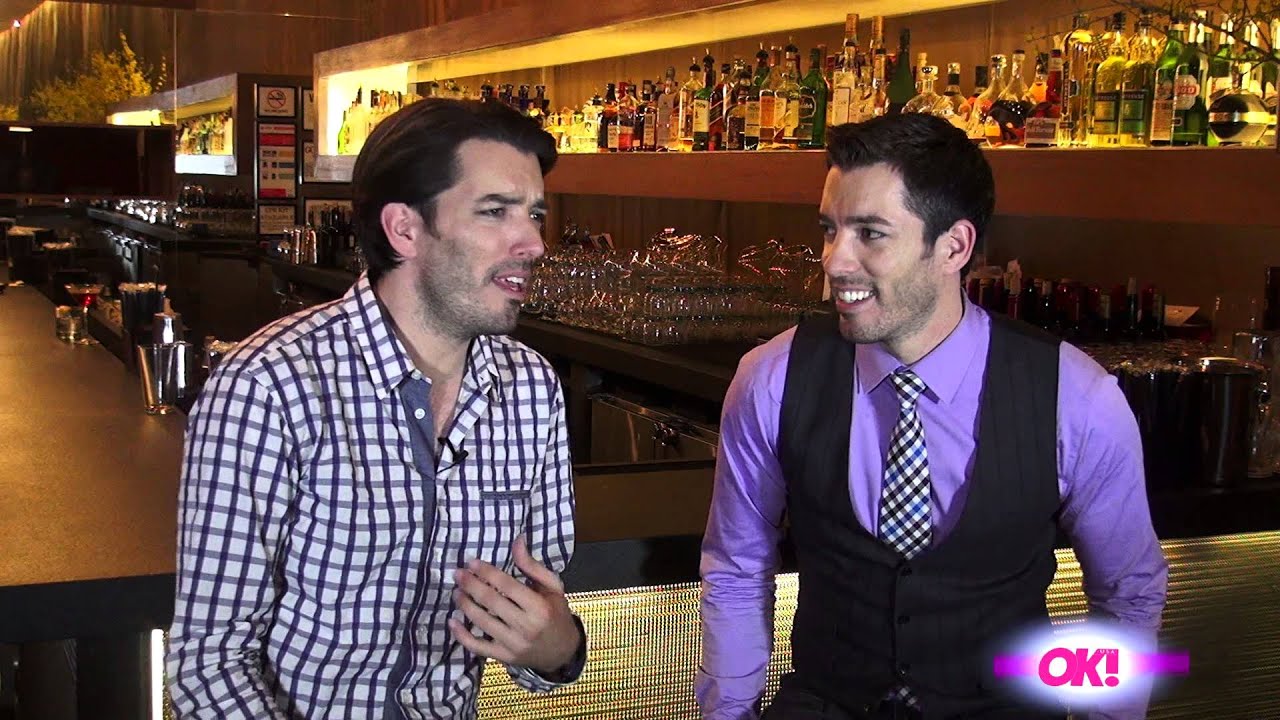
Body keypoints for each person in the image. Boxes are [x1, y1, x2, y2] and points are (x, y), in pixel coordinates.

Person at [696, 114, 1168, 720]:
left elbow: (1128, 596)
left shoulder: (1076, 397)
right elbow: (737, 570)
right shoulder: (771, 378)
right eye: (830, 229)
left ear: (954, 247)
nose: (834, 261)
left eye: (870, 233)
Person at [169, 99, 586, 719]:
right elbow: (210, 662)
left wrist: (559, 650)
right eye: (495, 211)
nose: (533, 242)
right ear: (404, 229)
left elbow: (537, 620)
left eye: (534, 214)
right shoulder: (270, 384)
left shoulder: (530, 387)